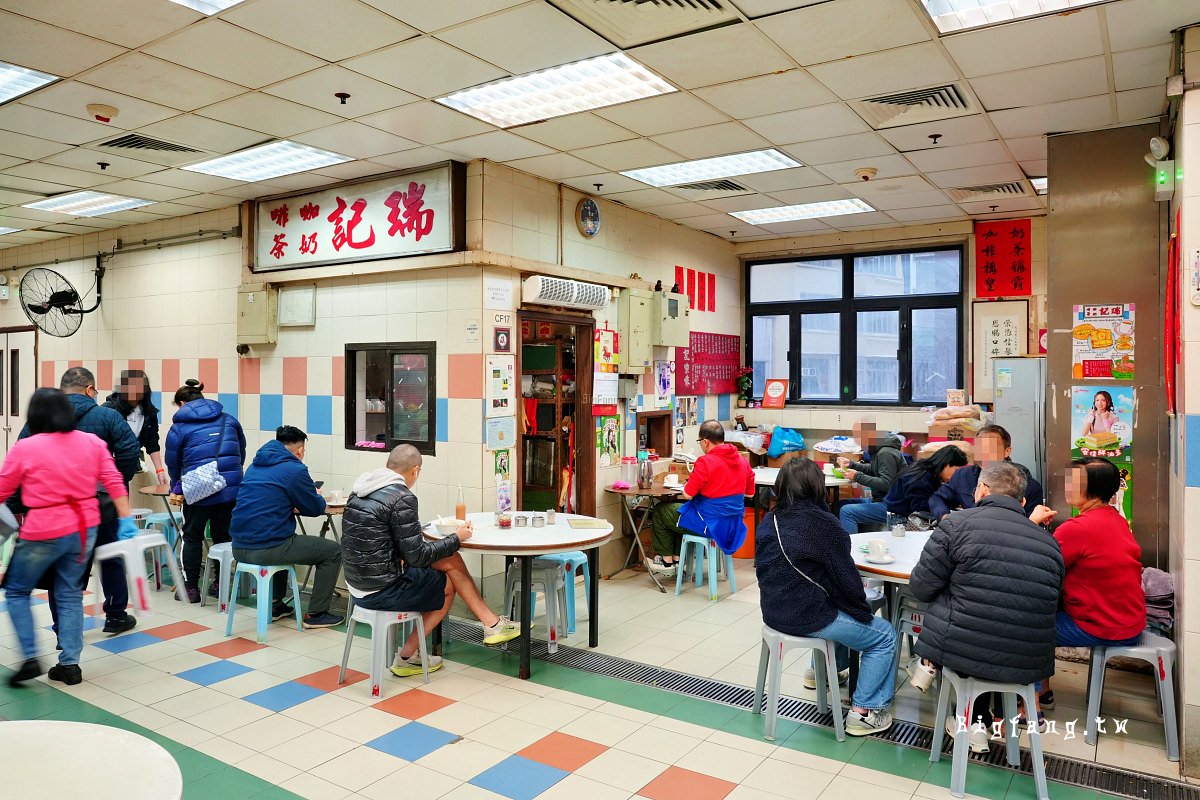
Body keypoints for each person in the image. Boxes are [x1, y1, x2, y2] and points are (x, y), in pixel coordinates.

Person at [907, 462, 1064, 752]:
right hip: (1026, 661)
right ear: (1024, 502)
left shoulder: (956, 525)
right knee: (986, 611)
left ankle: (935, 676)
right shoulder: (1050, 544)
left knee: (960, 605)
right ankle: (977, 721)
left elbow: (921, 587)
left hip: (962, 647)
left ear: (981, 490)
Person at [2, 389, 139, 686]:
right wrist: (126, 518)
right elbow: (114, 479)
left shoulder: (27, 446)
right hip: (84, 529)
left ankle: (30, 657)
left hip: (43, 529)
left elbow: (4, 489)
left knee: (16, 590)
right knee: (69, 593)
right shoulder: (91, 442)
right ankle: (70, 665)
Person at [342, 444, 521, 668]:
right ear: (415, 470)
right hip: (382, 589)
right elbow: (417, 557)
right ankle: (407, 656)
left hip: (357, 584)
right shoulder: (402, 497)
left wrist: (448, 543)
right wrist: (457, 537)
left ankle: (491, 623)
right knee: (446, 585)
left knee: (450, 559)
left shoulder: (360, 491)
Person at [755, 458, 897, 736]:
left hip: (773, 611)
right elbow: (848, 584)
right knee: (884, 635)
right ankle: (864, 712)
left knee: (841, 611)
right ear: (816, 486)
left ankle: (817, 673)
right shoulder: (825, 525)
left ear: (781, 486)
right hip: (808, 617)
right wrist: (862, 609)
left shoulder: (769, 519)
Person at [19, 367, 142, 637]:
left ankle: (62, 625)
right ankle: (115, 616)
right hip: (102, 504)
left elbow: (21, 460)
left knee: (61, 569)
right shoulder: (108, 415)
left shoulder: (39, 421)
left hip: (55, 509)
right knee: (111, 558)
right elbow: (131, 452)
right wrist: (114, 483)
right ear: (89, 389)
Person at [1028, 458, 1145, 712]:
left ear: (1094, 489)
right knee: (1045, 617)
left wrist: (1031, 524)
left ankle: (1030, 707)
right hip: (1129, 619)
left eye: (1074, 482)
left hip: (1104, 624)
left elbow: (1037, 564)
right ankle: (1044, 692)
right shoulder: (1114, 518)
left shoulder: (1077, 528)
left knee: (1030, 629)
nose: (1067, 486)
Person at [229, 426, 343, 628]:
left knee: (285, 537)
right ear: (300, 450)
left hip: (238, 546)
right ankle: (316, 614)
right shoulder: (295, 469)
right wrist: (312, 494)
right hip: (266, 548)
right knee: (332, 551)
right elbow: (315, 507)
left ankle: (275, 605)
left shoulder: (255, 466)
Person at [165, 379, 246, 604]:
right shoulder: (229, 420)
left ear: (182, 403)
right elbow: (241, 451)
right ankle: (219, 584)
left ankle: (190, 588)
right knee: (223, 536)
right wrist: (229, 477)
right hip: (229, 488)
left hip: (198, 490)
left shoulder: (179, 427)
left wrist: (176, 487)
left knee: (191, 536)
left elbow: (173, 463)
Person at [649, 420, 755, 576]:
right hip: (733, 526)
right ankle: (677, 560)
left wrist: (690, 484)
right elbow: (750, 494)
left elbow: (688, 494)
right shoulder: (742, 460)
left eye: (699, 442)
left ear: (705, 442)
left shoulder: (705, 462)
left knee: (661, 511)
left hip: (709, 525)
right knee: (680, 511)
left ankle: (667, 563)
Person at [927, 425, 1043, 520]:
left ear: (1007, 451)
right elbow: (938, 498)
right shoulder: (962, 476)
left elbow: (1032, 523)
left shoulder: (1027, 484)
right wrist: (944, 516)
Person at [837, 420, 906, 534]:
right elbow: (874, 469)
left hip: (893, 506)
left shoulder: (886, 452)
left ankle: (850, 549)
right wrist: (852, 464)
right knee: (841, 504)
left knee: (846, 511)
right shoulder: (878, 449)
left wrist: (857, 476)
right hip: (882, 499)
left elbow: (886, 483)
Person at [103, 368, 168, 486]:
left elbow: (152, 443)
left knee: (122, 501)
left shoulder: (149, 412)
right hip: (105, 468)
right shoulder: (109, 408)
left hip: (125, 468)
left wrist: (160, 471)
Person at [881, 445, 969, 524]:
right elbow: (920, 507)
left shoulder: (927, 470)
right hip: (901, 519)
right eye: (957, 471)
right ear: (947, 464)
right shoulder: (921, 477)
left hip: (904, 515)